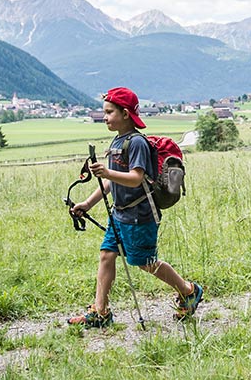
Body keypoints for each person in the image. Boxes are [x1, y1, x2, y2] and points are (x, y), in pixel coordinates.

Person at [67, 87, 203, 327]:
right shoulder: (117, 141)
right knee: (107, 255)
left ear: (126, 114)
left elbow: (135, 177)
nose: (105, 117)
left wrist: (107, 171)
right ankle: (101, 312)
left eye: (110, 112)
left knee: (146, 262)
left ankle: (188, 290)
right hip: (119, 214)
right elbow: (110, 181)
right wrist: (87, 204)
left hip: (140, 215)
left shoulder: (137, 142)